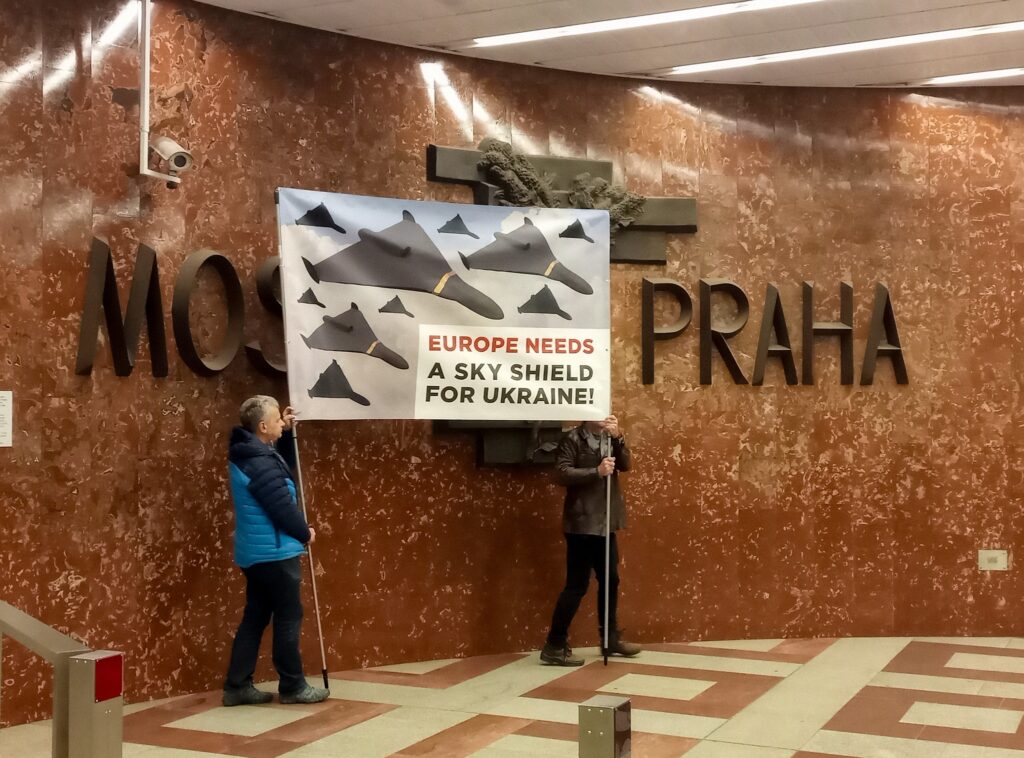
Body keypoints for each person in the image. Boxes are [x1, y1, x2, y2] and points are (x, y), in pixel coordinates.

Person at [222, 395, 329, 706]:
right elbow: (280, 507)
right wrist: (304, 533)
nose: (282, 422)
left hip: (256, 552)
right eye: (278, 420)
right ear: (263, 426)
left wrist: (286, 436)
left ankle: (237, 686)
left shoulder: (251, 454)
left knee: (255, 617)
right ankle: (293, 686)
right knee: (288, 616)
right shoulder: (258, 462)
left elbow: (279, 469)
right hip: (275, 553)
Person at [541, 414, 642, 666]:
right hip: (582, 523)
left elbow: (626, 465)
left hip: (605, 522)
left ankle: (610, 638)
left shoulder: (610, 438)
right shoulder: (573, 439)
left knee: (611, 580)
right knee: (577, 585)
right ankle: (554, 644)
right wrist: (596, 471)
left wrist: (618, 438)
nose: (604, 415)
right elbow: (561, 473)